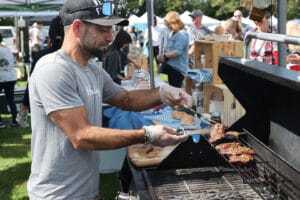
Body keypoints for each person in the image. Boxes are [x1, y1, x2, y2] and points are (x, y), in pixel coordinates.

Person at [27, 0, 192, 199]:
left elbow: (126, 99)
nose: (110, 36)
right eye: (102, 29)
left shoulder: (94, 71)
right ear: (78, 27)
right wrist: (146, 134)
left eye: (111, 29)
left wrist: (162, 93)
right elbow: (81, 136)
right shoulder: (54, 69)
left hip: (86, 191)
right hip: (57, 195)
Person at [16, 16, 65, 127]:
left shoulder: (41, 56)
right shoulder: (77, 57)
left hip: (45, 109)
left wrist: (23, 109)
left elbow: (31, 85)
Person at [157, 11, 189, 88]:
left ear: (175, 22)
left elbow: (177, 52)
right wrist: (163, 57)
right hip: (172, 68)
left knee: (175, 93)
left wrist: (164, 56)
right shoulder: (175, 33)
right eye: (167, 25)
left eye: (169, 24)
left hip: (177, 70)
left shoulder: (181, 34)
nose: (168, 27)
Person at [0, 33, 18, 128]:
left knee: (10, 100)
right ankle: (15, 120)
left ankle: (1, 122)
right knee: (11, 100)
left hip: (2, 77)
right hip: (11, 77)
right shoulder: (7, 49)